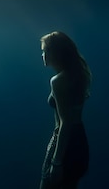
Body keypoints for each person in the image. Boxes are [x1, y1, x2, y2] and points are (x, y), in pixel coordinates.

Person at [39, 31, 91, 189]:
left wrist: (56, 162)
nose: (42, 55)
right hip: (79, 141)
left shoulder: (58, 81)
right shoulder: (79, 75)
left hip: (64, 143)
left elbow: (65, 122)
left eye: (45, 51)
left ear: (57, 53)